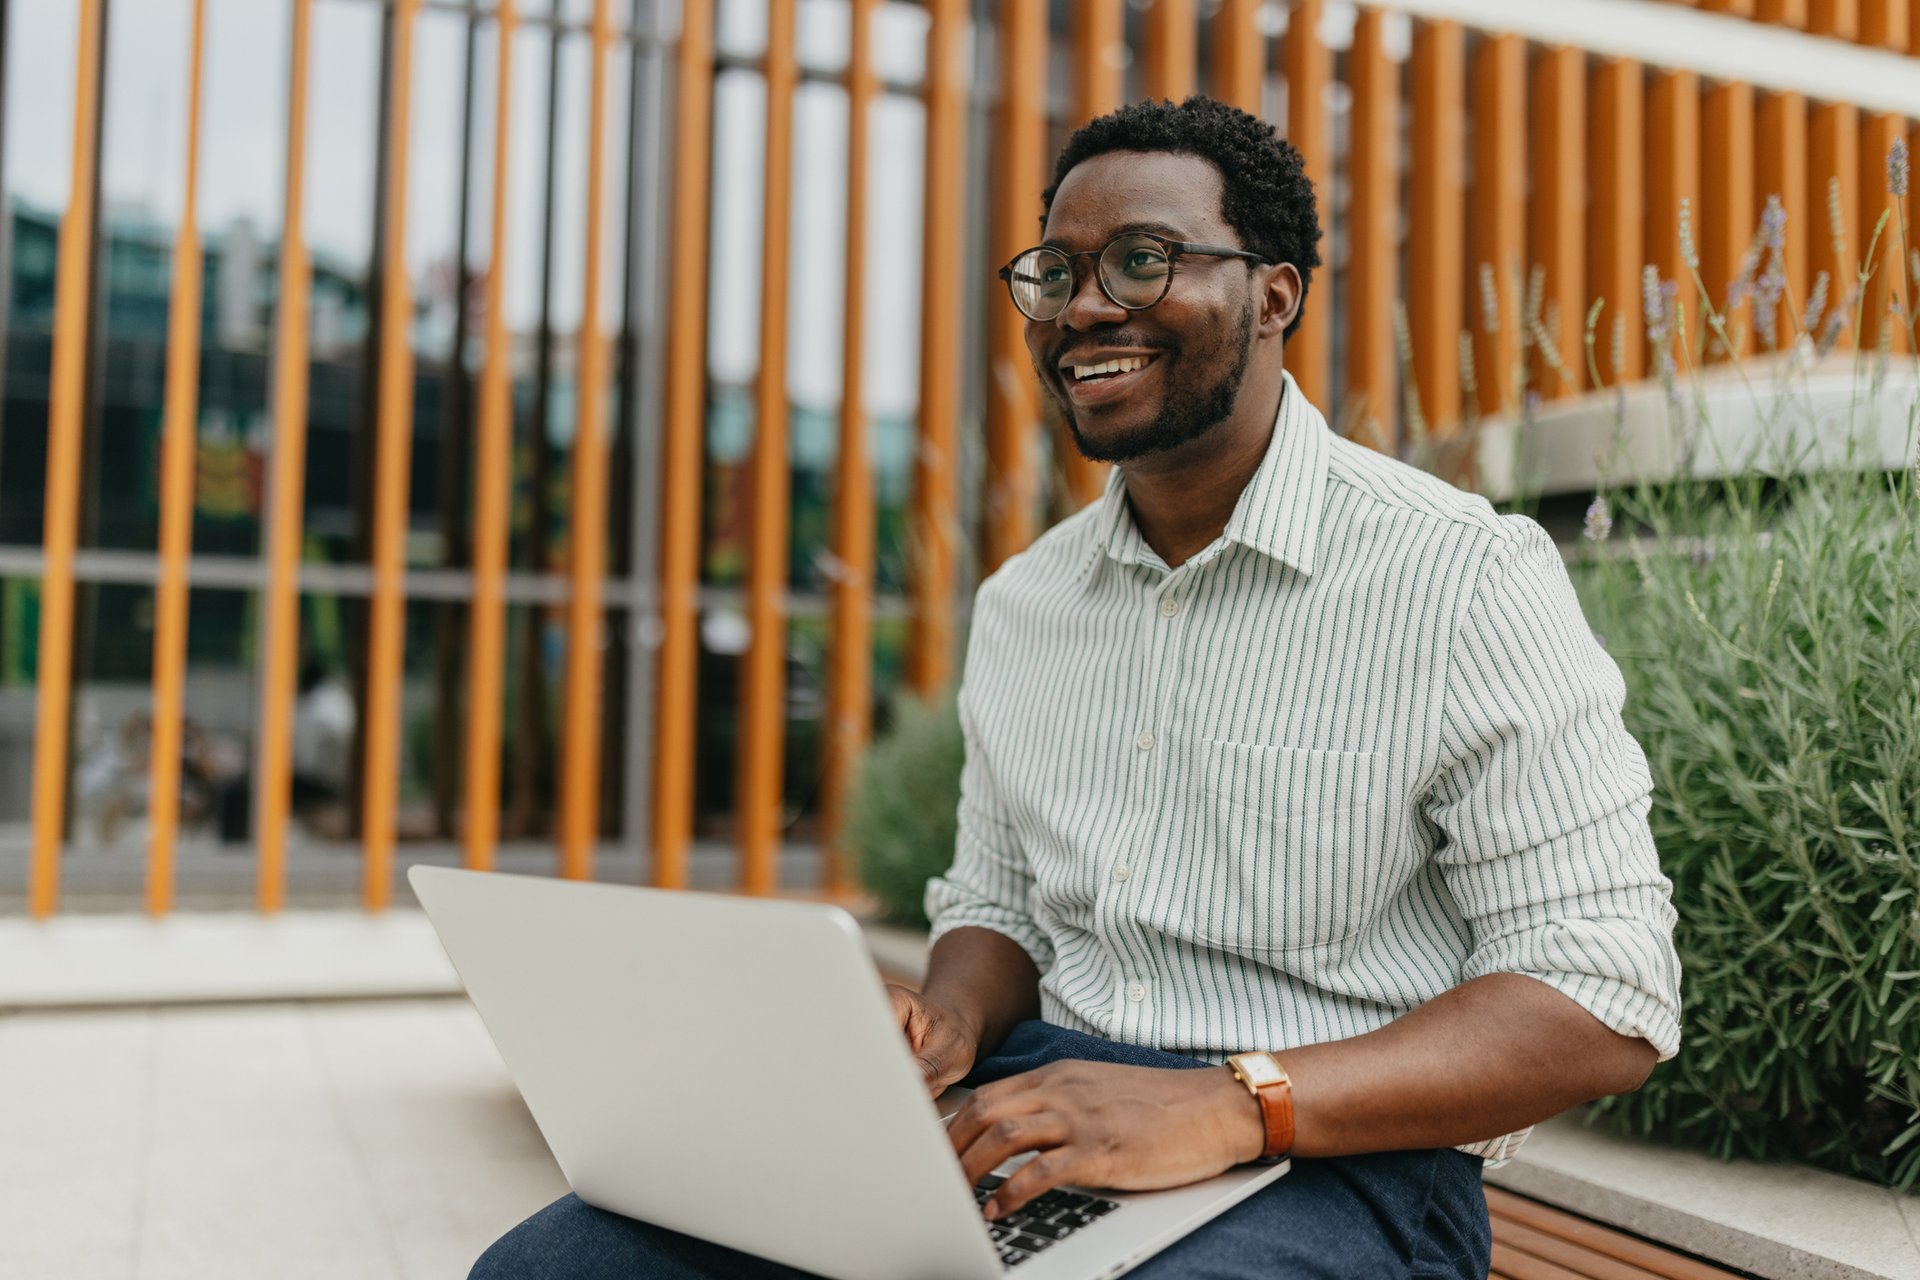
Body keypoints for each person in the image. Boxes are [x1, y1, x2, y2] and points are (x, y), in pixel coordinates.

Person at [472, 95, 1682, 1279]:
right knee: (559, 1261)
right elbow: (995, 905)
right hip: (1042, 1107)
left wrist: (1227, 1100)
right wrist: (946, 1019)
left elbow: (1601, 990)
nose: (1085, 305)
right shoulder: (1024, 603)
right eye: (1057, 271)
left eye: (1145, 259)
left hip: (1339, 1156)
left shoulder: (1463, 575)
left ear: (1275, 294)